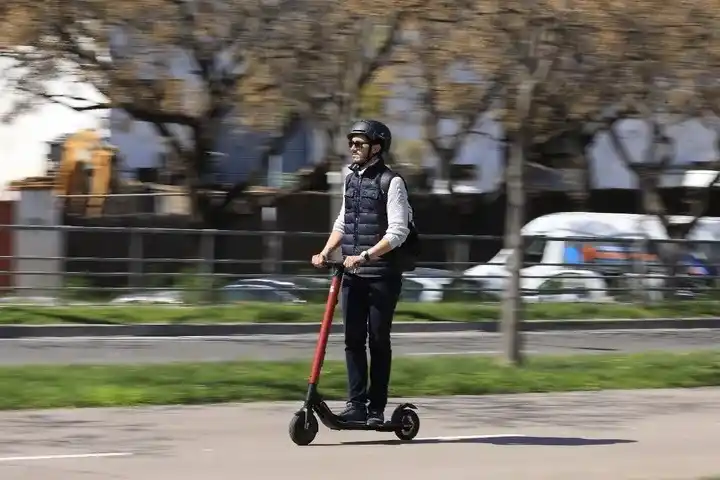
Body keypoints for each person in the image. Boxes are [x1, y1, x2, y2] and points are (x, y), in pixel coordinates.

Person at [311, 119, 413, 427]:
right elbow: (343, 223)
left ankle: (376, 408)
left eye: (359, 143)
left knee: (378, 340)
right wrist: (326, 252)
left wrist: (366, 256)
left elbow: (398, 232)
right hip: (351, 274)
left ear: (376, 147)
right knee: (352, 340)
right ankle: (355, 405)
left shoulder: (391, 182)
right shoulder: (351, 180)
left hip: (382, 274)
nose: (353, 148)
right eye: (351, 143)